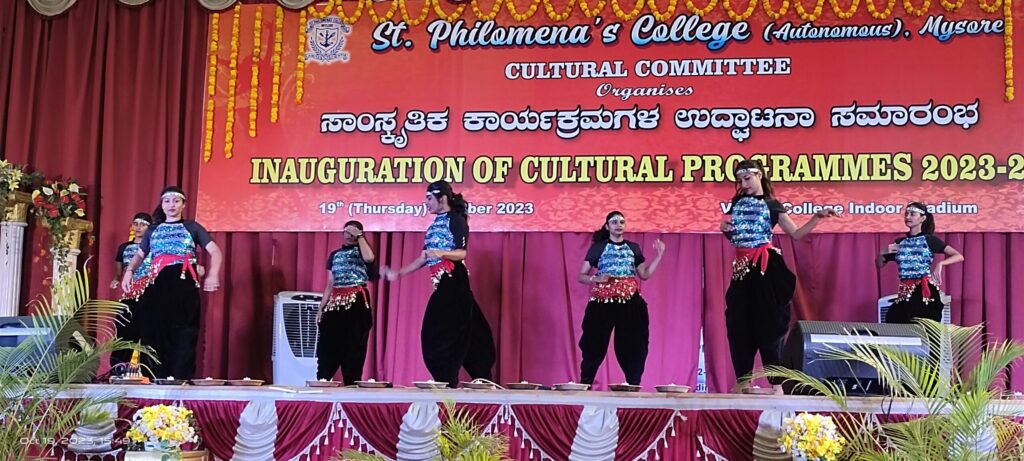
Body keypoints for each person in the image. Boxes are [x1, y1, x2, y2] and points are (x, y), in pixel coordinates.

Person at [719, 158, 837, 393]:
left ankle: (777, 384)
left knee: (770, 324)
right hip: (742, 269)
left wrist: (816, 217)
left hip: (765, 267)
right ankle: (743, 380)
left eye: (747, 178)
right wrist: (726, 230)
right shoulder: (737, 204)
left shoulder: (772, 205)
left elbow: (796, 234)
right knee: (738, 324)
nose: (744, 184)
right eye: (740, 180)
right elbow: (737, 236)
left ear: (759, 175)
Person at [383, 180, 496, 387]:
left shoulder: (456, 220)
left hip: (454, 277)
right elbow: (424, 257)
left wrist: (441, 253)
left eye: (429, 198)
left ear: (442, 198)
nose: (426, 203)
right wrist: (399, 273)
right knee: (469, 328)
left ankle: (446, 380)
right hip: (443, 281)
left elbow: (461, 253)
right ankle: (482, 374)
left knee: (436, 331)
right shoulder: (433, 226)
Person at [121, 186, 222, 380]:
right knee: (152, 330)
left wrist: (213, 274)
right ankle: (155, 377)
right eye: (167, 201)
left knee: (183, 333)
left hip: (182, 284)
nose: (171, 205)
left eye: (176, 201)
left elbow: (215, 251)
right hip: (157, 285)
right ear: (162, 204)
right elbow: (140, 255)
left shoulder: (192, 227)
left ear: (183, 205)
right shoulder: (153, 230)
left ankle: (180, 378)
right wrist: (129, 273)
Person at [577, 211, 664, 386]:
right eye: (614, 222)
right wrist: (596, 278)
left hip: (630, 301)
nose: (619, 224)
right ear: (607, 226)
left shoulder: (633, 248)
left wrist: (659, 256)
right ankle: (585, 382)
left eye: (622, 222)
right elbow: (581, 276)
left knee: (633, 344)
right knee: (594, 342)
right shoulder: (599, 247)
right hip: (603, 301)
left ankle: (633, 384)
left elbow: (644, 275)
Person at [876, 202, 963, 324]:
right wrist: (882, 252)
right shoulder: (900, 242)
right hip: (905, 291)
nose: (908, 217)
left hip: (923, 291)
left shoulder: (929, 240)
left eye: (912, 214)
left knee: (921, 325)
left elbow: (958, 256)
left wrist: (940, 264)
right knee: (895, 319)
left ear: (922, 218)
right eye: (906, 214)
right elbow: (880, 264)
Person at [315, 220, 375, 384]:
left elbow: (369, 258)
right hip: (335, 302)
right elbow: (330, 284)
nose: (349, 235)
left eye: (353, 232)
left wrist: (360, 237)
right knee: (327, 344)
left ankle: (351, 383)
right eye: (347, 232)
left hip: (356, 300)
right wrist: (321, 308)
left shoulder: (363, 252)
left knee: (353, 345)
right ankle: (323, 380)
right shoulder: (334, 255)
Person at [108, 212, 152, 370]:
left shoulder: (153, 247)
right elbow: (119, 272)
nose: (138, 227)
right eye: (135, 224)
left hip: (148, 295)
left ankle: (148, 372)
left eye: (143, 224)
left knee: (148, 336)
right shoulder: (124, 248)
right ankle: (119, 370)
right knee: (124, 334)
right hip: (128, 296)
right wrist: (116, 279)